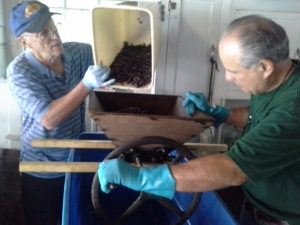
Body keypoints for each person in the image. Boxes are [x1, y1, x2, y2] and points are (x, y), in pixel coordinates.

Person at [98, 15, 300, 225]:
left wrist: (142, 178)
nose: (228, 78)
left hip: (283, 218)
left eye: (234, 71)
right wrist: (221, 113)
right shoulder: (281, 77)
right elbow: (261, 116)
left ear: (265, 67)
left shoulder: (294, 110)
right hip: (256, 204)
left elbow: (232, 170)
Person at [7, 1, 115, 225]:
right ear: (24, 41)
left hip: (76, 160)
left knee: (76, 218)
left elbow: (110, 52)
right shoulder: (19, 72)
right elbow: (49, 119)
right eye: (44, 33)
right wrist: (86, 84)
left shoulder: (75, 53)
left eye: (54, 27)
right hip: (42, 169)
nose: (54, 36)